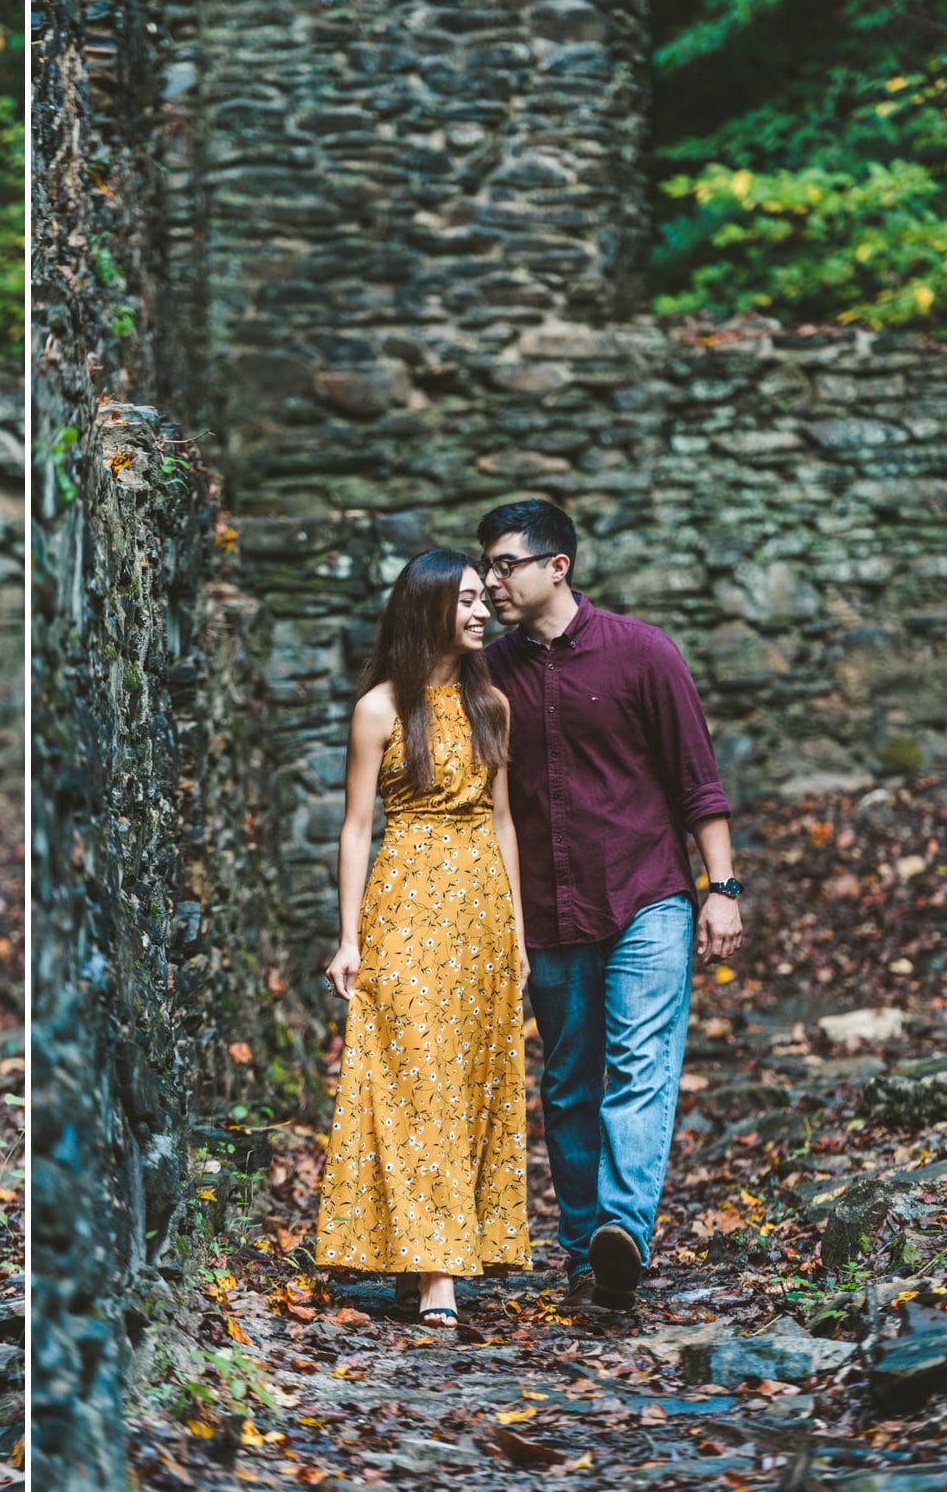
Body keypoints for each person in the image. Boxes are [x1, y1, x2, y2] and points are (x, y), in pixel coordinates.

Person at [476, 499, 743, 1313]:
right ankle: (584, 1251)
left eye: (505, 565)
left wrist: (720, 889)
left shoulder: (643, 655)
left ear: (558, 566)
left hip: (646, 896)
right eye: (486, 566)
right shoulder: (489, 674)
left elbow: (697, 780)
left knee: (639, 1068)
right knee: (566, 1084)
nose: (490, 581)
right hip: (548, 910)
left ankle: (621, 1233)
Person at [315, 548, 533, 1329]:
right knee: (415, 1077)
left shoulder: (493, 706)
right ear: (429, 608)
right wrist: (349, 939)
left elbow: (503, 822)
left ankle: (423, 1255)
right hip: (405, 898)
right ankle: (438, 1273)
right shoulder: (379, 708)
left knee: (470, 1079)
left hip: (478, 905)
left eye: (484, 597)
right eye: (468, 599)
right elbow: (353, 830)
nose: (483, 611)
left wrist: (516, 931)